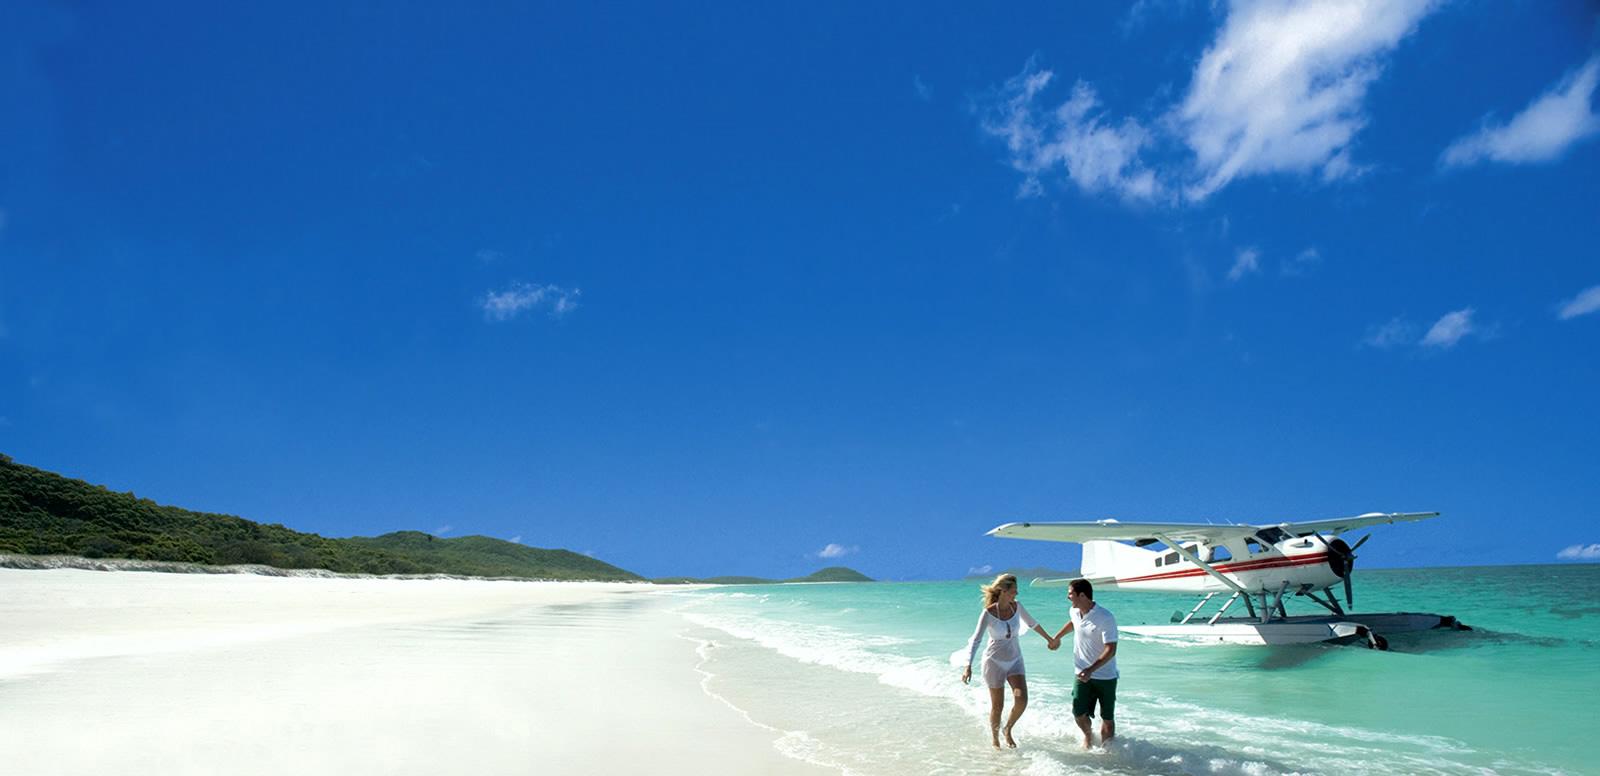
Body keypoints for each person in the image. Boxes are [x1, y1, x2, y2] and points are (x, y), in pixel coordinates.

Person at [960, 573, 1060, 749]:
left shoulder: (1017, 607)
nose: (1016, 594)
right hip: (993, 663)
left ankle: (1008, 729)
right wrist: (968, 665)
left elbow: (1032, 623)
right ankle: (995, 740)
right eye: (1013, 591)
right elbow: (976, 639)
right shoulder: (988, 613)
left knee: (1022, 699)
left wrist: (1049, 639)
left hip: (1015, 660)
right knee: (997, 706)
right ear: (1003, 591)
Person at [1050, 578, 1118, 749]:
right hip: (1081, 673)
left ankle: (1107, 751)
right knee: (1078, 712)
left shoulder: (1105, 617)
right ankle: (1088, 735)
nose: (1068, 598)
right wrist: (1057, 637)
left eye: (1070, 594)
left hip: (1105, 676)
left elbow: (1111, 650)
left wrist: (1091, 669)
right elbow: (1074, 624)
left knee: (1107, 719)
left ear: (1082, 595)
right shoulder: (1074, 611)